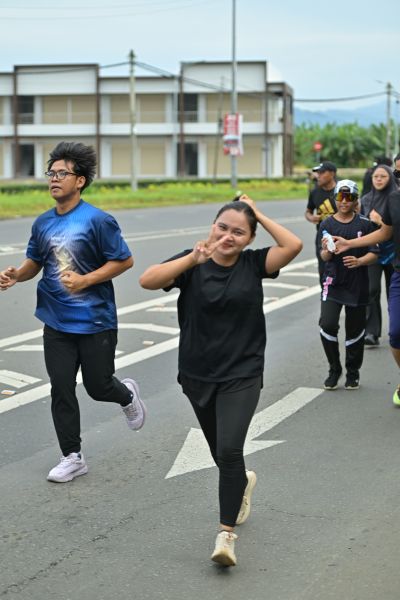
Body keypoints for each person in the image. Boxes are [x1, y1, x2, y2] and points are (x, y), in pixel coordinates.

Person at [139, 196, 302, 567]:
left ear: (250, 239)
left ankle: (225, 535)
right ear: (212, 227)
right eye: (223, 227)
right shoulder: (191, 262)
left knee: (229, 451)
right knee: (221, 453)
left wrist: (257, 212)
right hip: (197, 374)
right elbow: (147, 280)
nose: (228, 236)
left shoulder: (254, 264)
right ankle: (241, 482)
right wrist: (191, 260)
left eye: (238, 232)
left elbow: (292, 245)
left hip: (242, 373)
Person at [0, 141, 146, 483]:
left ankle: (126, 395)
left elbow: (124, 260)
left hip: (95, 321)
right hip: (56, 320)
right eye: (51, 173)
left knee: (98, 386)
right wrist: (16, 275)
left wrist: (86, 280)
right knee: (61, 387)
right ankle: (72, 456)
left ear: (80, 180)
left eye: (62, 173)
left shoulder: (98, 220)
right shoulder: (43, 223)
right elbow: (35, 261)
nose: (54, 178)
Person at [334, 184, 400, 405]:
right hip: (399, 273)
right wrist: (349, 243)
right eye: (398, 174)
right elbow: (385, 233)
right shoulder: (394, 199)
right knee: (396, 332)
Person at [319, 180, 378, 391]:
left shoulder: (365, 224)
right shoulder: (326, 224)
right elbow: (324, 256)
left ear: (356, 200)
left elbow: (375, 253)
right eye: (340, 197)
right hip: (333, 283)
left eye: (349, 197)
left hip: (358, 284)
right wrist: (327, 251)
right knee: (327, 324)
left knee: (355, 331)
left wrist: (359, 261)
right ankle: (334, 369)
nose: (344, 201)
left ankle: (353, 372)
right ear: (335, 197)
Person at [360, 165, 398, 346]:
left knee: (394, 292)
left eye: (383, 176)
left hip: (394, 252)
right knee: (371, 290)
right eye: (376, 176)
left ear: (390, 178)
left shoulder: (395, 198)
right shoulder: (366, 199)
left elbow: (394, 228)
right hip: (373, 251)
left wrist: (379, 221)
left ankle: (395, 329)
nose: (379, 179)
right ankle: (371, 332)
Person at [305, 161, 337, 286]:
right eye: (318, 173)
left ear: (332, 174)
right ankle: (325, 294)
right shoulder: (315, 192)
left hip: (342, 235)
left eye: (322, 172)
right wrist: (311, 217)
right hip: (322, 237)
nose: (318, 175)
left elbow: (356, 210)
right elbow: (308, 211)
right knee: (323, 272)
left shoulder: (341, 191)